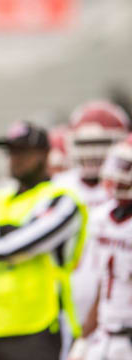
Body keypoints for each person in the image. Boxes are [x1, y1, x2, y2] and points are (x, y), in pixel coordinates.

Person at [0, 121, 87, 360]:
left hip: (39, 325)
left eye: (24, 152)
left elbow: (21, 246)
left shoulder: (61, 199)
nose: (16, 158)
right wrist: (3, 231)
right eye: (12, 152)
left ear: (45, 154)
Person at [53, 100, 130, 325]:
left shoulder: (122, 190)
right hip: (65, 294)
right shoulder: (58, 186)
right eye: (85, 144)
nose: (93, 152)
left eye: (101, 143)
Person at [68, 134, 132, 360]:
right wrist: (85, 337)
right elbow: (102, 282)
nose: (121, 174)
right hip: (104, 334)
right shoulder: (102, 216)